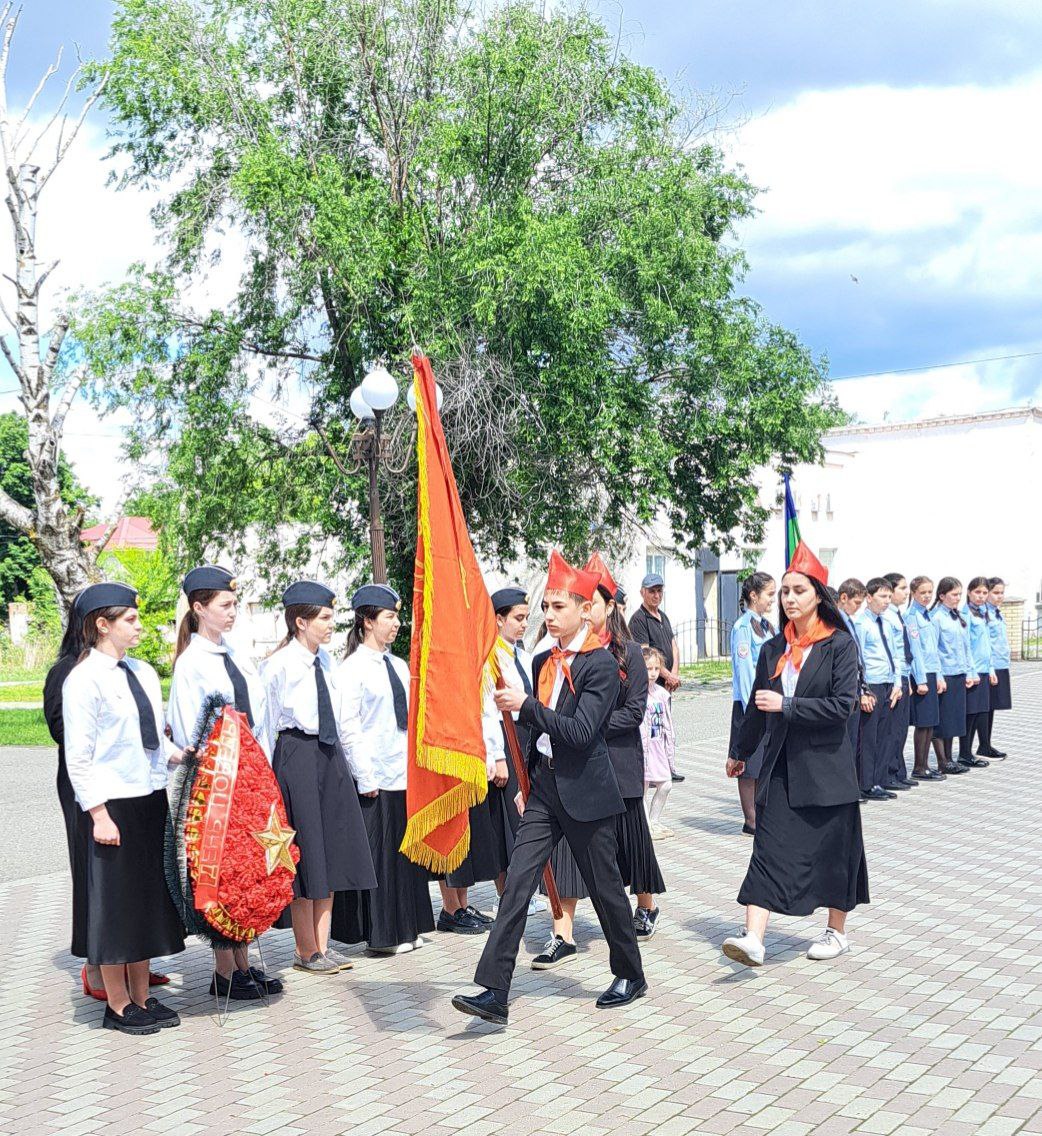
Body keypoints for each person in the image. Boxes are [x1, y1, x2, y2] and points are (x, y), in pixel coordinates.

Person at [451, 551, 646, 1025]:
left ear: (585, 609)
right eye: (547, 606)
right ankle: (494, 990)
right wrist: (524, 779)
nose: (549, 615)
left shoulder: (600, 664)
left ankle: (630, 973)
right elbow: (532, 733)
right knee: (517, 885)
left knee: (604, 889)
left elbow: (580, 731)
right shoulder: (543, 658)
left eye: (560, 607)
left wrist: (526, 706)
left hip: (587, 791)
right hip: (545, 788)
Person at [721, 544, 867, 968]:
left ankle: (836, 931)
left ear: (818, 595)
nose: (788, 598)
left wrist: (788, 706)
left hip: (826, 770)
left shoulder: (839, 645)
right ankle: (753, 938)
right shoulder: (772, 648)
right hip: (781, 768)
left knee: (836, 853)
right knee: (768, 848)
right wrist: (740, 752)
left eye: (798, 590)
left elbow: (843, 705)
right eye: (784, 591)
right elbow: (755, 705)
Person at [62, 583, 186, 1034]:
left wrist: (181, 755)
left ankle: (142, 995)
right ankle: (116, 1004)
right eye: (130, 619)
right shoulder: (84, 680)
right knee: (115, 906)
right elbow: (79, 755)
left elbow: (151, 736)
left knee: (145, 901)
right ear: (102, 625)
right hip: (110, 804)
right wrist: (97, 814)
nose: (139, 625)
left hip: (148, 797)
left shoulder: (143, 673)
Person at [533, 555, 663, 970]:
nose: (587, 609)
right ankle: (563, 933)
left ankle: (644, 905)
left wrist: (588, 724)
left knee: (626, 848)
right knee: (569, 856)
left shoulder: (626, 655)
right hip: (572, 769)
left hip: (618, 766)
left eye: (596, 602)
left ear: (607, 607)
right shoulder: (557, 654)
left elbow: (635, 712)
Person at [166, 564, 283, 999]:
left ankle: (244, 962)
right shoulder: (191, 664)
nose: (233, 612)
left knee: (247, 872)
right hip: (216, 785)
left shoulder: (236, 655)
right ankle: (224, 970)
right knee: (220, 871)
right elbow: (188, 729)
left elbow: (261, 716)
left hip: (251, 781)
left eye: (235, 604)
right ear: (199, 608)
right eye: (225, 605)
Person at [261, 580, 378, 974]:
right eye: (324, 618)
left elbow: (343, 718)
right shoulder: (277, 666)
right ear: (300, 622)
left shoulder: (329, 663)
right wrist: (262, 783)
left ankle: (324, 946)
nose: (331, 624)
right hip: (297, 755)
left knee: (330, 849)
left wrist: (358, 770)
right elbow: (264, 725)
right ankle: (305, 948)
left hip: (330, 757)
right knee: (305, 851)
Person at [332, 584, 437, 954]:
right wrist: (365, 775)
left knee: (406, 855)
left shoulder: (398, 665)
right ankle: (382, 936)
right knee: (379, 858)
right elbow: (348, 726)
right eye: (389, 616)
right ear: (367, 621)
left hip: (403, 770)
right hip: (374, 774)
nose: (396, 623)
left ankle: (408, 927)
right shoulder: (352, 669)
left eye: (396, 616)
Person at [488, 587, 547, 920]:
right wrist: (497, 755)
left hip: (529, 738)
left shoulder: (523, 657)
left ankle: (531, 886)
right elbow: (487, 709)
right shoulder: (491, 659)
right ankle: (507, 891)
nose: (525, 624)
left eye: (527, 618)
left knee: (531, 814)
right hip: (505, 738)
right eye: (518, 618)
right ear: (499, 619)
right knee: (510, 819)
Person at [726, 572, 777, 835]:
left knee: (763, 761)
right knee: (748, 763)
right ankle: (751, 820)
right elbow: (745, 672)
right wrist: (752, 711)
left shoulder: (768, 626)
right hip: (750, 705)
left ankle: (762, 814)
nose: (773, 599)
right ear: (753, 595)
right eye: (769, 594)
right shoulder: (743, 627)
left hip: (767, 703)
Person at [628, 572, 683, 782]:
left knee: (665, 727)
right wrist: (666, 675)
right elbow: (646, 654)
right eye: (652, 591)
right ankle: (650, 772)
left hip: (666, 685)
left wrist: (674, 675)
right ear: (642, 592)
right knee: (651, 729)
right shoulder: (639, 620)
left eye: (659, 591)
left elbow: (673, 646)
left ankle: (667, 767)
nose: (656, 595)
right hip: (651, 683)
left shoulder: (663, 616)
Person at [853, 578, 900, 802]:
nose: (887, 601)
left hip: (888, 682)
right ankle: (866, 783)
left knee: (885, 735)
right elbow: (858, 658)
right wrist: (862, 691)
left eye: (889, 597)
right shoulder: (861, 624)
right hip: (871, 683)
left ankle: (879, 780)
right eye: (882, 597)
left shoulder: (887, 622)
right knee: (868, 737)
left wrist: (898, 682)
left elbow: (895, 653)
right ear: (868, 598)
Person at [929, 577, 974, 776]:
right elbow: (934, 650)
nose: (957, 598)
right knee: (942, 721)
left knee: (954, 720)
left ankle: (950, 758)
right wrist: (938, 676)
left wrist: (969, 671)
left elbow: (966, 647)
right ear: (942, 596)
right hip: (945, 674)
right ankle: (942, 760)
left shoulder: (958, 616)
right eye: (954, 594)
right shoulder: (936, 617)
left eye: (959, 594)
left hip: (958, 672)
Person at [904, 576, 946, 780]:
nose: (927, 596)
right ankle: (919, 767)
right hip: (920, 674)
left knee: (930, 722)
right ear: (913, 593)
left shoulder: (927, 615)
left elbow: (933, 649)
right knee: (923, 723)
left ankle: (926, 765)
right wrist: (920, 679)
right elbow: (915, 651)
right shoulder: (911, 617)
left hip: (930, 672)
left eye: (930, 592)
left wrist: (938, 675)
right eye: (922, 592)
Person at [881, 573, 919, 792]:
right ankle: (889, 772)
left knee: (901, 729)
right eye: (902, 588)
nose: (906, 593)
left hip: (902, 675)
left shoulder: (897, 615)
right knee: (892, 730)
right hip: (893, 676)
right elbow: (894, 651)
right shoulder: (886, 617)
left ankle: (898, 770)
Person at [959, 577, 995, 770]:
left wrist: (990, 668)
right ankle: (964, 753)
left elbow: (986, 644)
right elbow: (966, 645)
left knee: (978, 711)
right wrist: (970, 671)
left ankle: (968, 752)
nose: (981, 596)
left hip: (982, 669)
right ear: (969, 592)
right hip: (972, 671)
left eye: (984, 593)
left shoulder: (983, 612)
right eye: (977, 592)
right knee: (969, 713)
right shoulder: (966, 613)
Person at [641, 648, 676, 840]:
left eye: (656, 668)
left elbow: (668, 722)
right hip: (643, 747)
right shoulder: (637, 692)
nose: (653, 673)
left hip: (658, 745)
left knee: (666, 784)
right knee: (643, 788)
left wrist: (670, 746)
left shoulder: (662, 694)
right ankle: (646, 826)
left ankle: (654, 820)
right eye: (648, 668)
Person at [836, 578, 870, 759]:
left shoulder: (849, 621)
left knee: (853, 739)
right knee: (846, 739)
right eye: (856, 602)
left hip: (856, 683)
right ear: (843, 598)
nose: (859, 607)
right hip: (846, 684)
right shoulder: (837, 622)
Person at [981, 577, 1012, 758]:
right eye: (996, 592)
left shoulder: (996, 612)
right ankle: (983, 744)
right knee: (985, 707)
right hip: (989, 665)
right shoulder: (984, 613)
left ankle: (987, 743)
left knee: (992, 706)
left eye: (1002, 593)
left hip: (1001, 664)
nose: (1000, 596)